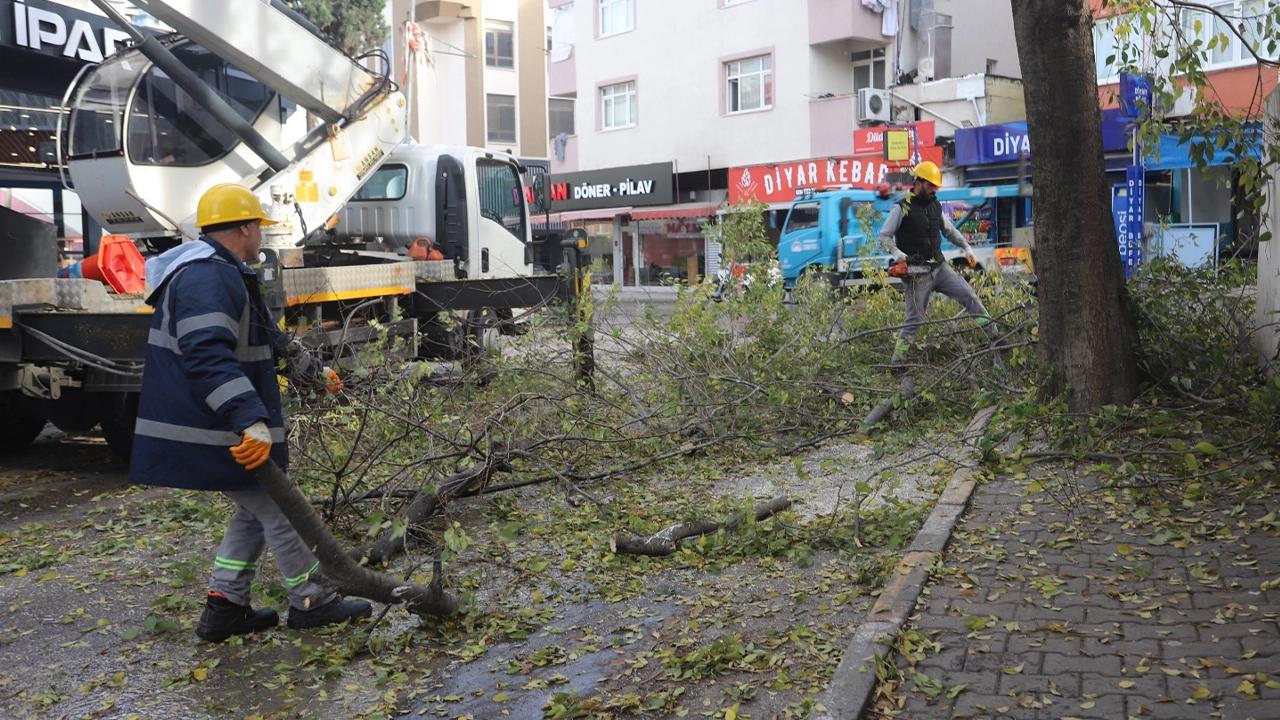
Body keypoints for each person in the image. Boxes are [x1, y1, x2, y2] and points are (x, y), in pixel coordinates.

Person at [130, 183, 371, 643]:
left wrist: (313, 372)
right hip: (217, 426)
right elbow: (206, 355)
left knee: (252, 509)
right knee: (278, 505)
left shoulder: (224, 270)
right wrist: (250, 420)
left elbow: (264, 336)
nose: (261, 234)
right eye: (258, 225)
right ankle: (311, 600)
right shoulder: (205, 276)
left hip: (217, 423)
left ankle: (225, 606)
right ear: (244, 227)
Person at [878, 161, 997, 372]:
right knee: (915, 319)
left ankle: (995, 336)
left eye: (936, 186)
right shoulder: (901, 206)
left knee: (970, 297)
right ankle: (897, 363)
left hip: (939, 268)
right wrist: (897, 254)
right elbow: (884, 237)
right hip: (917, 274)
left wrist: (966, 247)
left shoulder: (935, 205)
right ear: (919, 182)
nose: (935, 190)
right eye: (931, 186)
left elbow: (949, 230)